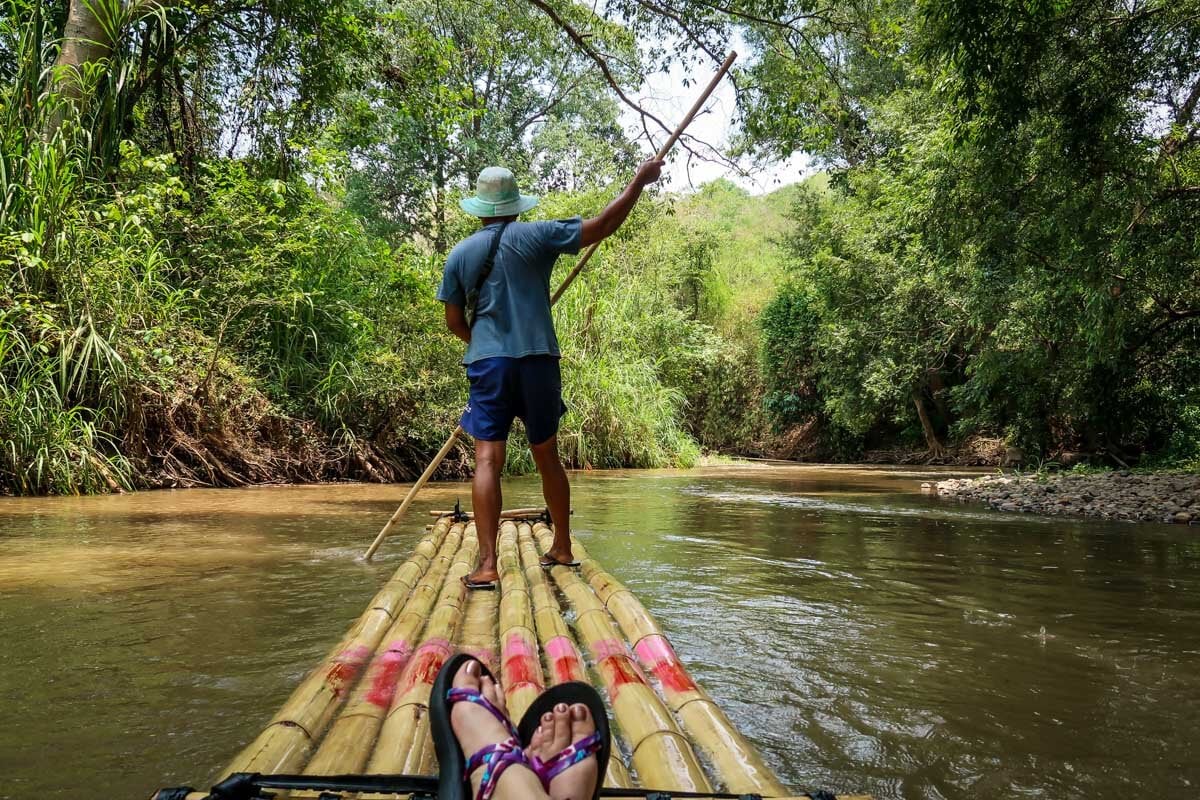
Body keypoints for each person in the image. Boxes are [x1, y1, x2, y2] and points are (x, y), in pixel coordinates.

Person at [438, 160, 664, 589]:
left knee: (487, 459)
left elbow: (453, 321)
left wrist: (481, 343)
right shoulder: (539, 235)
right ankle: (562, 546)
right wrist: (638, 183)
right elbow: (603, 225)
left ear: (481, 208)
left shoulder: (461, 254)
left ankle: (487, 565)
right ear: (516, 205)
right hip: (539, 361)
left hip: (489, 364)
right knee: (547, 455)